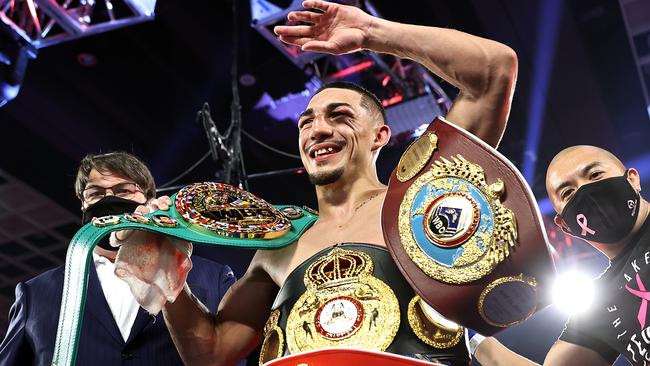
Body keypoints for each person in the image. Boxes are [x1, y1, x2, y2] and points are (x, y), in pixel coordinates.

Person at [122, 1, 518, 365]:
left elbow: (494, 70)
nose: (318, 130)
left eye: (339, 115)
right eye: (306, 122)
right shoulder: (280, 243)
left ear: (380, 135)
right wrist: (164, 261)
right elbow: (209, 354)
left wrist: (371, 32)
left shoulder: (421, 198)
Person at [0, 152, 238, 366]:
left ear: (149, 198)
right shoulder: (36, 293)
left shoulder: (214, 278)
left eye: (124, 190)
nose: (108, 200)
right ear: (83, 204)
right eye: (95, 193)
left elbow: (238, 356)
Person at [472, 145, 650, 366]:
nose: (586, 191)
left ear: (632, 179)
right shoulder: (600, 303)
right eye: (568, 193)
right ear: (564, 225)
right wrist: (473, 340)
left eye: (595, 175)